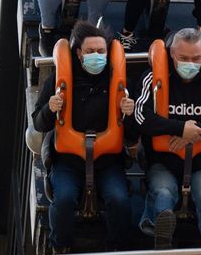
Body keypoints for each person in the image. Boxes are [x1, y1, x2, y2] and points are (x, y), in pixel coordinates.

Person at [32, 21, 135, 253]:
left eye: (101, 51)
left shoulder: (120, 84)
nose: (96, 56)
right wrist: (50, 107)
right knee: (65, 199)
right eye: (90, 52)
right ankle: (61, 247)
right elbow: (39, 123)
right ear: (79, 53)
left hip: (108, 162)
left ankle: (119, 247)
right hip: (68, 162)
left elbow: (135, 133)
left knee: (119, 200)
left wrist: (130, 114)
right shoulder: (57, 82)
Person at [133, 28, 201, 249]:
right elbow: (141, 117)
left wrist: (195, 133)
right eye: (183, 58)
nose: (189, 63)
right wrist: (180, 128)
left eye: (196, 58)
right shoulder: (151, 78)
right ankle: (160, 231)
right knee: (164, 190)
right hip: (164, 159)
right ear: (172, 55)